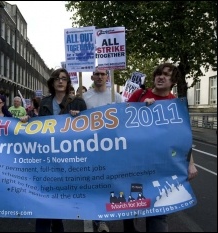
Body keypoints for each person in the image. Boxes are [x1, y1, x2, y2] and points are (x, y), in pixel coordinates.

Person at [123, 62, 198, 232]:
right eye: (158, 73)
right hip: (136, 161)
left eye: (166, 75)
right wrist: (141, 108)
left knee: (159, 208)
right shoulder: (140, 94)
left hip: (162, 165)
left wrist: (191, 163)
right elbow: (122, 117)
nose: (161, 77)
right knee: (132, 201)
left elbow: (183, 137)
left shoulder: (175, 103)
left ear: (173, 81)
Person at [37, 68, 87, 232]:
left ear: (68, 82)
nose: (60, 81)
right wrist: (25, 121)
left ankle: (57, 224)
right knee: (45, 197)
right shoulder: (44, 103)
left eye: (64, 78)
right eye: (57, 78)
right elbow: (37, 128)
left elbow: (88, 129)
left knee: (58, 198)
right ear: (52, 82)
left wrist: (79, 118)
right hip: (48, 156)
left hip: (69, 157)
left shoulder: (78, 102)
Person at [82, 67, 123, 232]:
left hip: (111, 148)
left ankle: (106, 215)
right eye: (97, 74)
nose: (99, 77)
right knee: (95, 183)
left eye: (102, 74)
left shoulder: (116, 97)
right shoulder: (84, 98)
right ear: (92, 77)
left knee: (110, 183)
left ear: (107, 77)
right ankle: (99, 218)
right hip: (91, 147)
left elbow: (125, 120)